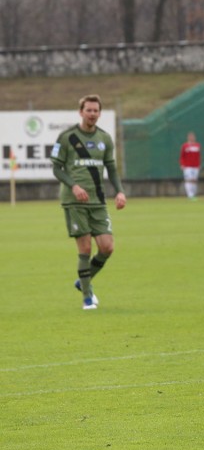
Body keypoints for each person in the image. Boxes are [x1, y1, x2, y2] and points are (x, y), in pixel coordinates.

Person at [50, 94, 127, 310]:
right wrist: (74, 186)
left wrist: (119, 192)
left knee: (107, 247)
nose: (92, 114)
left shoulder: (104, 138)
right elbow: (56, 167)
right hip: (74, 201)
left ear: (99, 113)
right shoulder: (67, 137)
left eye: (96, 110)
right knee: (84, 247)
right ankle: (86, 296)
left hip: (98, 200)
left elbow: (111, 169)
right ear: (81, 112)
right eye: (88, 110)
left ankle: (82, 280)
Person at [179, 131, 201, 200]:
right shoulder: (185, 146)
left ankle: (193, 194)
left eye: (193, 137)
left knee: (194, 180)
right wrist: (182, 164)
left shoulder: (197, 145)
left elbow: (198, 156)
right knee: (189, 180)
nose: (192, 138)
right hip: (187, 166)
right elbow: (182, 156)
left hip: (196, 166)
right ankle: (190, 195)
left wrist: (199, 164)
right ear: (188, 138)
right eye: (190, 137)